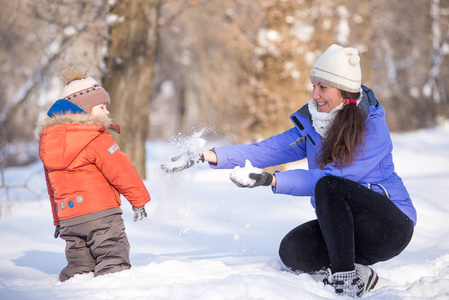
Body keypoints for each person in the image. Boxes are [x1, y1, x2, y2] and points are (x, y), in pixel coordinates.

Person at [161, 44, 416, 297]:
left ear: (345, 91)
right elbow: (266, 150)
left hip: (390, 225)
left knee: (329, 186)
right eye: (314, 86)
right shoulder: (315, 125)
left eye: (323, 87)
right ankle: (360, 274)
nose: (315, 94)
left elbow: (331, 179)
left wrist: (272, 180)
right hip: (348, 226)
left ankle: (345, 280)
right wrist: (206, 156)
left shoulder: (372, 128)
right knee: (293, 251)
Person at [37, 63, 151, 282]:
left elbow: (52, 187)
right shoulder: (95, 137)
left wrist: (58, 220)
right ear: (83, 110)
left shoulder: (48, 142)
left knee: (79, 266)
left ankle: (72, 288)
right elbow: (122, 170)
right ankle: (111, 290)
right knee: (113, 259)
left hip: (69, 218)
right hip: (102, 215)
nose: (107, 112)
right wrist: (139, 200)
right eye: (101, 107)